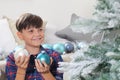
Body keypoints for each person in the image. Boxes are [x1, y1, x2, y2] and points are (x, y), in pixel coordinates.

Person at [5, 13, 63, 80]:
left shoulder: (54, 55)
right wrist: (21, 70)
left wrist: (46, 73)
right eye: (31, 31)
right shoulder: (13, 58)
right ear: (20, 35)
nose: (37, 34)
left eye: (40, 30)